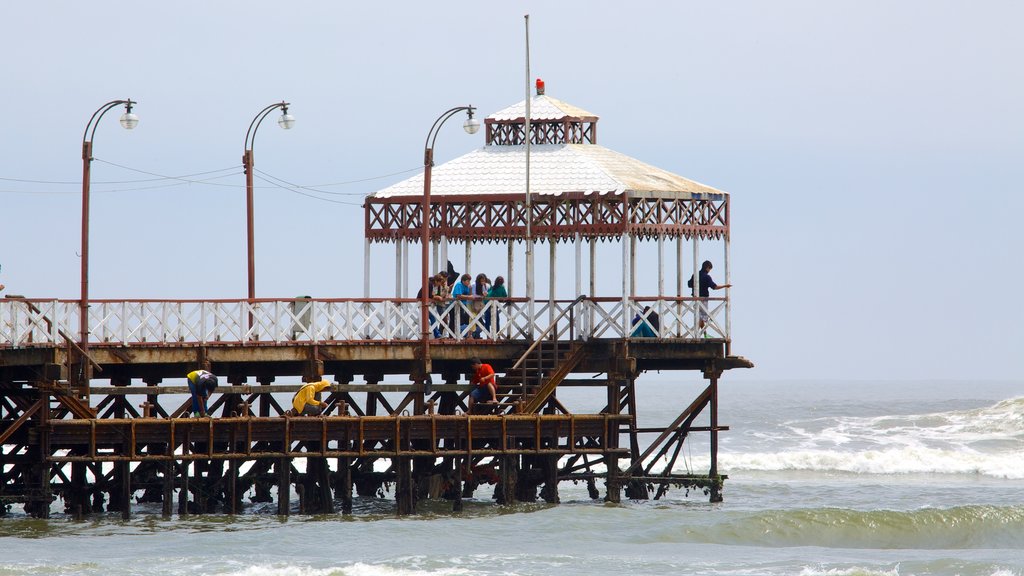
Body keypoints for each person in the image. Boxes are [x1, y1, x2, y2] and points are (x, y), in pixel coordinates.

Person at [688, 260, 732, 335]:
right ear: (707, 268)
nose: (709, 271)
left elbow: (689, 284)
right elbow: (714, 287)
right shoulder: (707, 277)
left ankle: (703, 333)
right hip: (703, 300)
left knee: (699, 318)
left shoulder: (695, 275)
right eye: (709, 269)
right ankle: (695, 334)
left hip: (695, 299)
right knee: (704, 318)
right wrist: (725, 286)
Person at [451, 273, 474, 338]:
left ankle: (463, 334)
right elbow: (459, 296)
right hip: (455, 305)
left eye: (469, 281)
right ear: (463, 281)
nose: (469, 282)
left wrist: (470, 289)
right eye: (467, 281)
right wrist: (469, 297)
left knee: (463, 320)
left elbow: (469, 295)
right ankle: (453, 335)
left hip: (463, 305)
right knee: (454, 320)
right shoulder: (459, 285)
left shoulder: (467, 286)